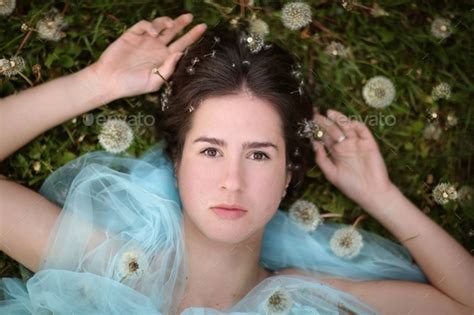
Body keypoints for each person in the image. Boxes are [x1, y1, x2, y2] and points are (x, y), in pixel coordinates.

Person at [0, 13, 472, 314]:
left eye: (259, 154)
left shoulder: (311, 300)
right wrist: (96, 83)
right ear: (176, 161)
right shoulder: (107, 268)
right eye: (210, 150)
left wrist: (381, 196)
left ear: (288, 173)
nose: (232, 181)